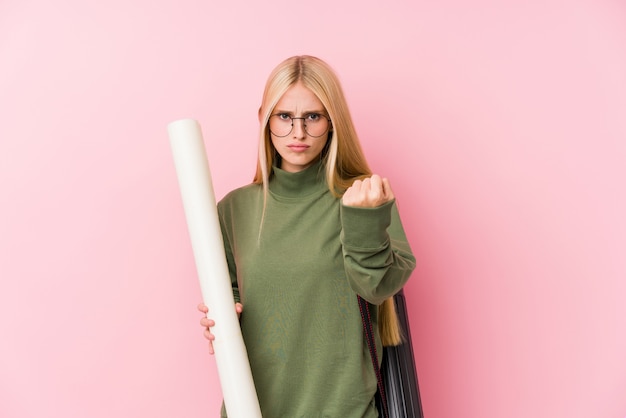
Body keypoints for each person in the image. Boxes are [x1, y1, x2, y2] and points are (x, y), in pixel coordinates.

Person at [198, 55, 416, 417]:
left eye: (312, 117)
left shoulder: (363, 198)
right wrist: (222, 319)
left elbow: (377, 286)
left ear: (333, 123)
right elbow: (232, 298)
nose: (297, 133)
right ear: (264, 121)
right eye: (284, 116)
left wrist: (364, 220)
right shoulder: (234, 210)